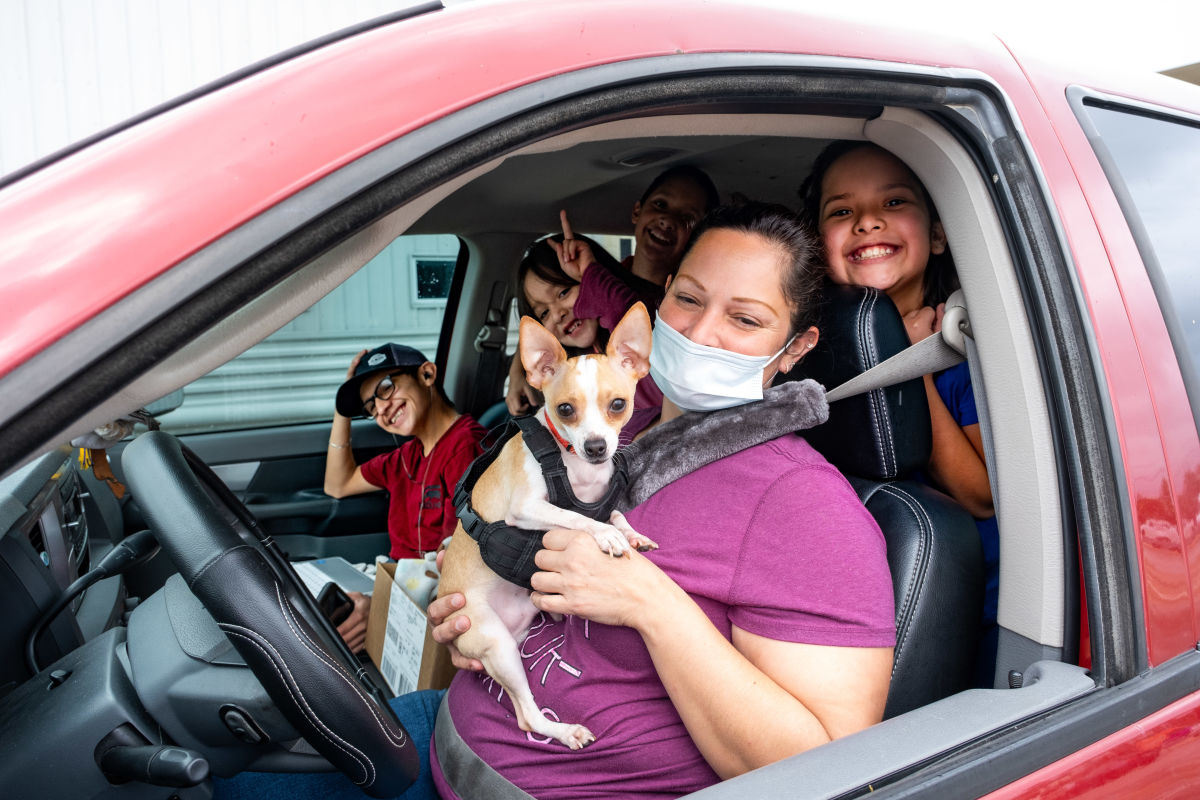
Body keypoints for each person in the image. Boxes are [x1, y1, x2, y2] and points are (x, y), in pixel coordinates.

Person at [213, 202, 895, 800]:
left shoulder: (806, 507)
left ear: (795, 347)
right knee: (226, 764)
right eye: (687, 300)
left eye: (745, 318)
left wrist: (649, 602)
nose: (701, 333)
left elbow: (823, 768)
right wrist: (473, 592)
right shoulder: (619, 418)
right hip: (452, 723)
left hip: (553, 778)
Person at [799, 140, 999, 681]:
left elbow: (981, 496)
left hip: (969, 616)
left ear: (936, 235)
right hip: (854, 600)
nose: (867, 222)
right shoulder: (807, 356)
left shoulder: (965, 354)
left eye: (893, 203)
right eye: (842, 211)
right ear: (820, 246)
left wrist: (914, 365)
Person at [323, 342, 486, 652]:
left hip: (435, 608)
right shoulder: (404, 459)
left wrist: (382, 608)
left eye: (386, 388)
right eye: (371, 407)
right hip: (402, 589)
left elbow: (462, 564)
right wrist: (342, 411)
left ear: (426, 375)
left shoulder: (465, 447)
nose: (381, 408)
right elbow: (337, 484)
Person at [505, 220, 663, 442]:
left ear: (592, 283)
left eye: (563, 292)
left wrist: (590, 270)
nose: (558, 313)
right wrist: (519, 369)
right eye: (543, 313)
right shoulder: (570, 372)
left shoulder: (635, 347)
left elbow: (623, 312)